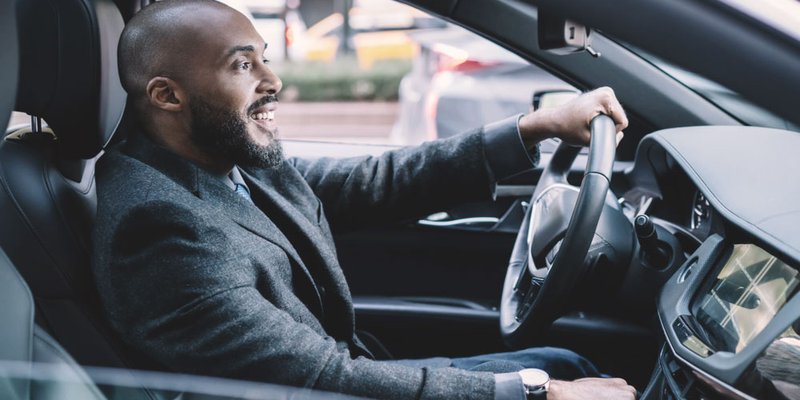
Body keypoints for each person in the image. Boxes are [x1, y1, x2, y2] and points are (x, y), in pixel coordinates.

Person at [91, 0, 635, 399]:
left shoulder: (223, 160)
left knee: (566, 360)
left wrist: (534, 127)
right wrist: (537, 395)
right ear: (167, 95)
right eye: (242, 65)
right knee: (564, 371)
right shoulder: (155, 225)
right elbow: (317, 377)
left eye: (264, 58)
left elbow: (377, 180)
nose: (272, 80)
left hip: (345, 377)